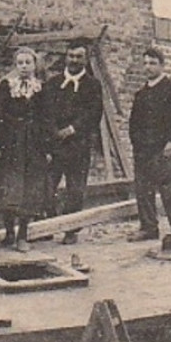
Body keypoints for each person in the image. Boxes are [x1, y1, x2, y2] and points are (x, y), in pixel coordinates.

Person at [0, 47, 52, 252]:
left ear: (35, 65)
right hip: (10, 142)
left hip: (32, 144)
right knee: (8, 186)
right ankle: (9, 232)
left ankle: (23, 235)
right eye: (20, 63)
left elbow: (47, 119)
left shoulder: (41, 88)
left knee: (28, 189)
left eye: (27, 63)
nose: (24, 66)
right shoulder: (7, 86)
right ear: (15, 66)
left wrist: (47, 148)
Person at [127, 47, 171, 245]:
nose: (148, 67)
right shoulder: (141, 94)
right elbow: (133, 123)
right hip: (144, 151)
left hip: (165, 149)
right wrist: (136, 146)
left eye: (153, 63)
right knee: (143, 190)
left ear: (162, 65)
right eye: (145, 63)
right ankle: (148, 228)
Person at [44, 40, 104, 242]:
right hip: (55, 144)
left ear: (86, 60)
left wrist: (72, 129)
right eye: (71, 56)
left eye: (79, 57)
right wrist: (53, 132)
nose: (74, 60)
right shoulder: (52, 84)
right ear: (66, 57)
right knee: (47, 186)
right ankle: (48, 226)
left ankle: (71, 230)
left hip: (78, 145)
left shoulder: (93, 86)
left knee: (75, 189)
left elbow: (93, 114)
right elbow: (45, 112)